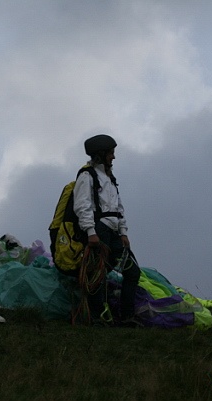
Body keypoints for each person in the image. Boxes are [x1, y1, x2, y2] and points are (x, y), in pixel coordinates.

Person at [73, 134, 141, 326]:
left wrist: (123, 232)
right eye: (111, 153)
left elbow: (118, 207)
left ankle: (126, 316)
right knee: (98, 275)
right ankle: (97, 318)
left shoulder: (109, 178)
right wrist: (90, 232)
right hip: (99, 231)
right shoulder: (87, 176)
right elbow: (82, 205)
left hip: (113, 232)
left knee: (132, 272)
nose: (113, 157)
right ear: (100, 154)